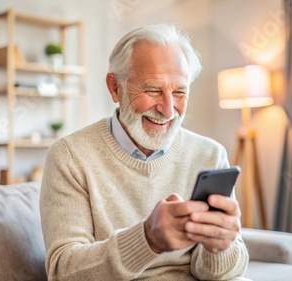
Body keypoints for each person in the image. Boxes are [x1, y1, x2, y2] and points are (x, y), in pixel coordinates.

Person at [40, 23, 249, 280]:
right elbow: (64, 271)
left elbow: (219, 273)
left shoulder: (210, 154)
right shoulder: (70, 157)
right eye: (153, 90)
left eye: (180, 92)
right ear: (115, 88)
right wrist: (147, 240)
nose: (168, 110)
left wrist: (219, 247)